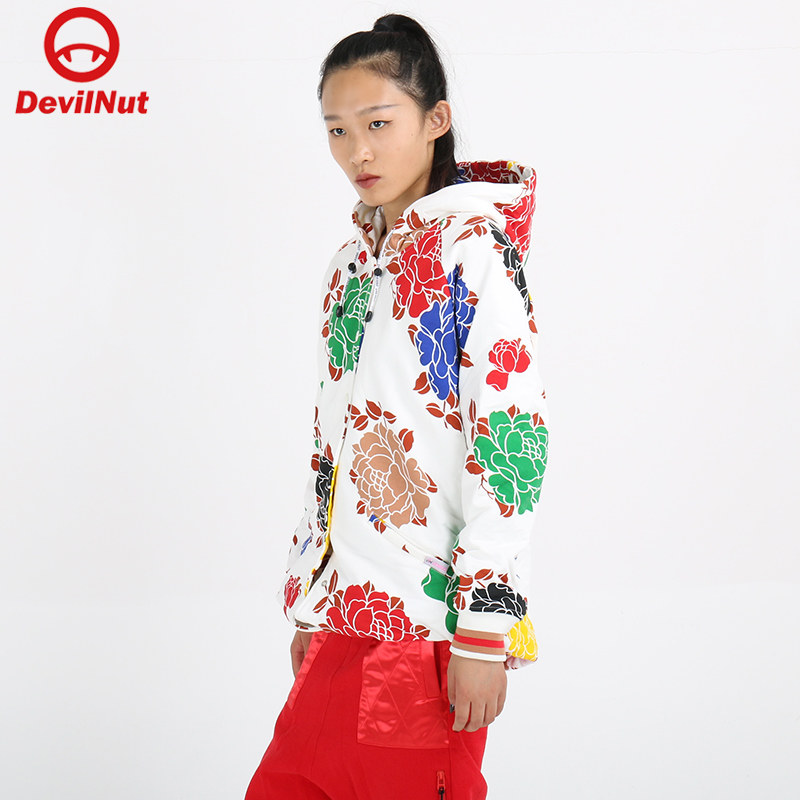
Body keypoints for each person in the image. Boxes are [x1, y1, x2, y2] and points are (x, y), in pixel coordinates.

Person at [245, 12, 549, 800]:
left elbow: (511, 445)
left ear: (435, 119)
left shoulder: (476, 256)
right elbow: (331, 445)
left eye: (378, 123)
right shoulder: (350, 267)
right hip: (343, 619)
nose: (358, 152)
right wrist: (312, 599)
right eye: (338, 130)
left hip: (426, 633)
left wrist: (483, 630)